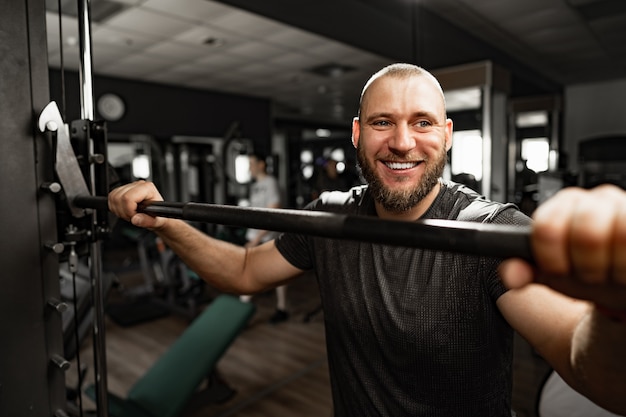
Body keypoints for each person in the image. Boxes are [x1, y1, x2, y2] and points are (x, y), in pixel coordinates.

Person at [108, 63, 626, 416]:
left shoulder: (491, 231)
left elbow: (590, 371)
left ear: (446, 134)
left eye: (422, 123)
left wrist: (614, 311)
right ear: (357, 134)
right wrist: (166, 223)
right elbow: (243, 272)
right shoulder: (330, 218)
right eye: (384, 122)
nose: (402, 141)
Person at [239, 151, 289, 324]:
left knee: (260, 272)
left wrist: (257, 238)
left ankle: (242, 311)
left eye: (252, 164)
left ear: (262, 164)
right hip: (254, 235)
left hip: (267, 236)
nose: (250, 168)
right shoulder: (254, 186)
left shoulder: (271, 183)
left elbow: (272, 211)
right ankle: (280, 308)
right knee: (267, 272)